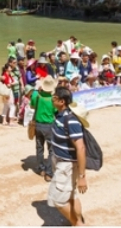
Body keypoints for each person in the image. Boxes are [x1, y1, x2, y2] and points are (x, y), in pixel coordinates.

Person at [48, 88, 89, 226]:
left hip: (66, 165)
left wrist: (82, 177)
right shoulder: (60, 114)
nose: (52, 99)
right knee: (72, 195)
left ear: (62, 101)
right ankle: (77, 222)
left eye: (54, 98)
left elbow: (81, 148)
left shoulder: (71, 121)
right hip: (61, 162)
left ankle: (77, 224)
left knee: (57, 200)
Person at [32, 77, 57, 182]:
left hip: (38, 124)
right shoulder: (53, 99)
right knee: (51, 149)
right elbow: (56, 110)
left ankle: (41, 169)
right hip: (49, 125)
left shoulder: (37, 96)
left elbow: (32, 105)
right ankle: (49, 172)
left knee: (39, 147)